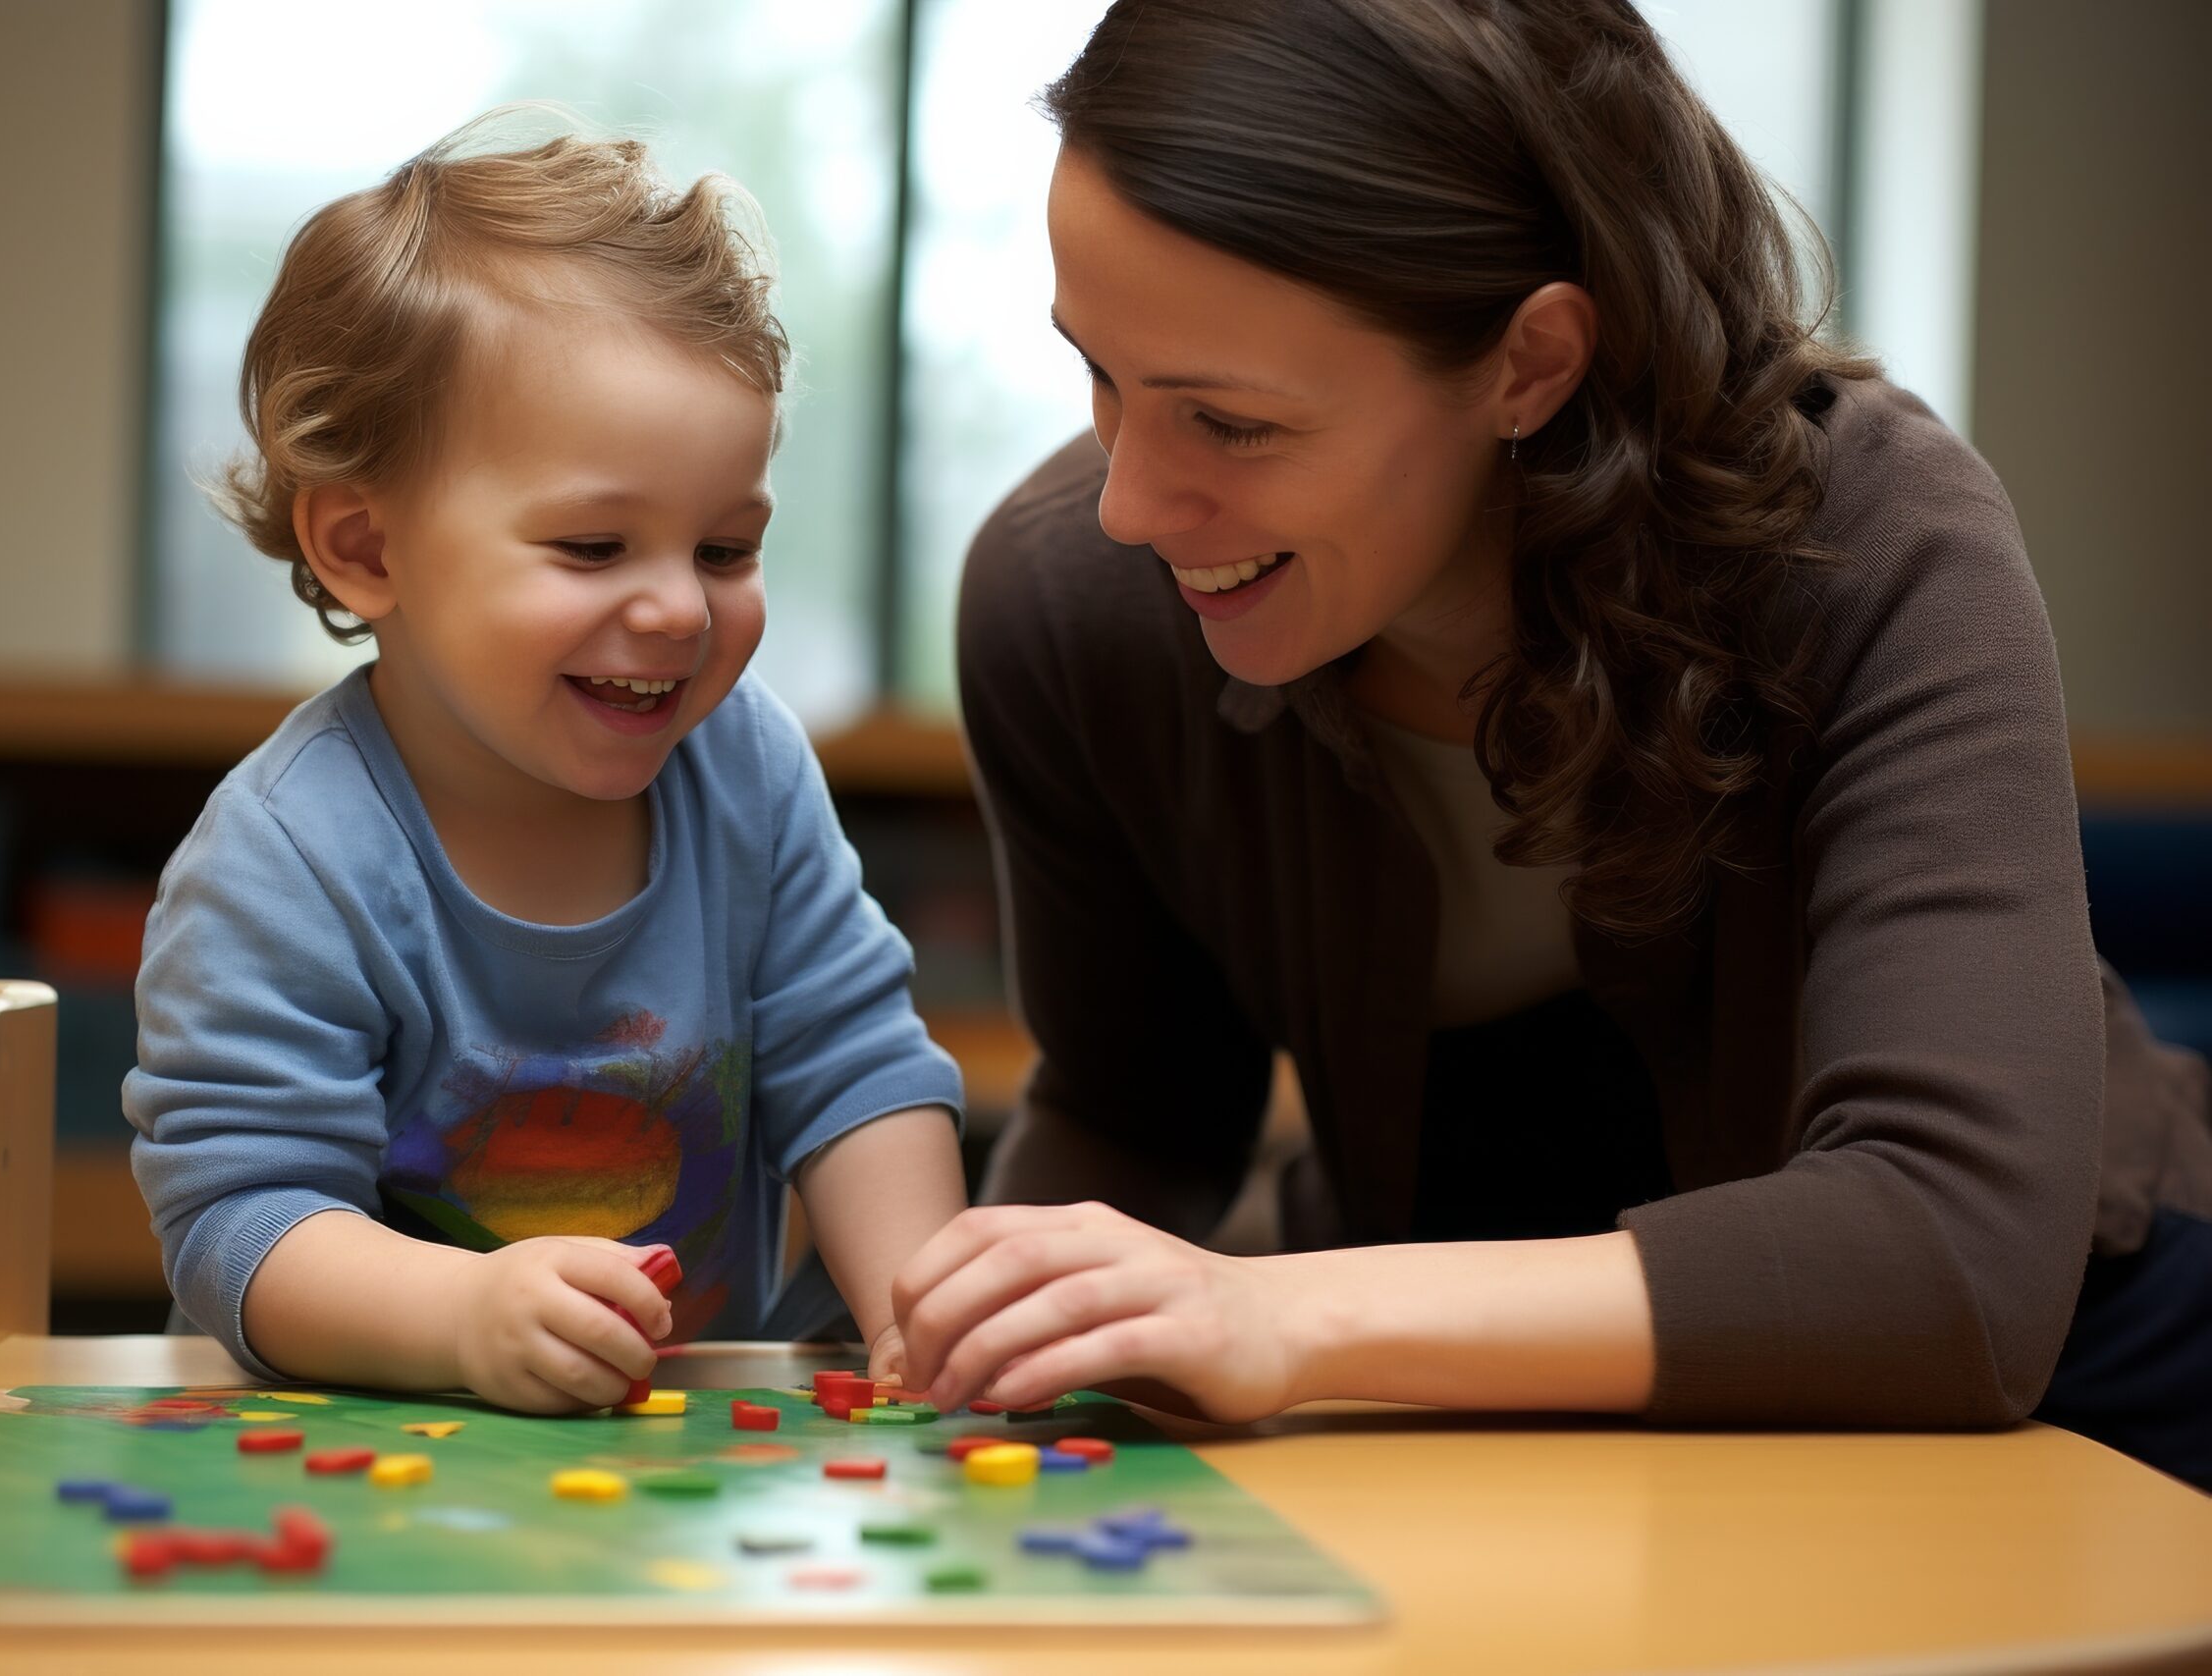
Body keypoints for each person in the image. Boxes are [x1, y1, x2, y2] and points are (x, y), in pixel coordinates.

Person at [893, 0, 2212, 1490]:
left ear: (1532, 362)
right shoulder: (1066, 603)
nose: (1130, 503)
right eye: (1101, 372)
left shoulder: (1881, 540)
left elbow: (1951, 1258)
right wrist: (985, 1363)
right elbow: (1134, 1113)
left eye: (1230, 422)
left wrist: (1281, 1311)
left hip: (2059, 1411)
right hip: (1453, 1423)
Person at [125, 115, 967, 1414]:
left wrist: (921, 1306)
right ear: (367, 549)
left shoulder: (745, 772)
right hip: (368, 1477)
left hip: (681, 1480)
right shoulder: (285, 860)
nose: (681, 611)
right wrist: (462, 1317)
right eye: (593, 548)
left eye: (726, 549)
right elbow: (243, 1217)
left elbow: (854, 1064)